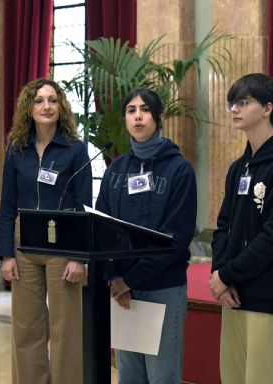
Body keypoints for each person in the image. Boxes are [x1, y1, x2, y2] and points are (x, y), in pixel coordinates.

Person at [210, 73, 273, 384]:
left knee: (263, 378)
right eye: (232, 103)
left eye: (243, 102)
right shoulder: (238, 167)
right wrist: (220, 273)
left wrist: (228, 274)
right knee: (234, 377)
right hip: (234, 292)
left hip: (268, 292)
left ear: (267, 108)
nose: (235, 110)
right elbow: (223, 226)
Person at [95, 88, 197, 383]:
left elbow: (176, 238)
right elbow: (103, 227)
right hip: (122, 290)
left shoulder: (179, 170)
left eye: (145, 110)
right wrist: (115, 277)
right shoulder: (115, 170)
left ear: (158, 117)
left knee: (162, 376)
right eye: (131, 110)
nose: (137, 116)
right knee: (129, 376)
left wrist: (131, 278)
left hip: (162, 287)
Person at [0, 78, 91, 384]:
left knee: (66, 329)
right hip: (24, 245)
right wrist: (6, 255)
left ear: (60, 107)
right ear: (29, 107)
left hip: (63, 245)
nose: (46, 106)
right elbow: (7, 206)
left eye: (52, 100)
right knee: (27, 327)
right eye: (39, 100)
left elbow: (83, 206)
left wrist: (79, 257)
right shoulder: (16, 149)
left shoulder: (75, 150)